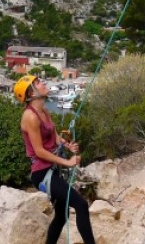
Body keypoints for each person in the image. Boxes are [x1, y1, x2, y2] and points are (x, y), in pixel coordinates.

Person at [14, 75, 96, 244]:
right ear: (31, 93)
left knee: (61, 214)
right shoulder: (30, 117)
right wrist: (68, 162)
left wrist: (66, 145)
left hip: (52, 169)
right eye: (37, 83)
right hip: (43, 173)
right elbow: (39, 152)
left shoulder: (44, 110)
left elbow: (54, 135)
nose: (43, 83)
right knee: (80, 205)